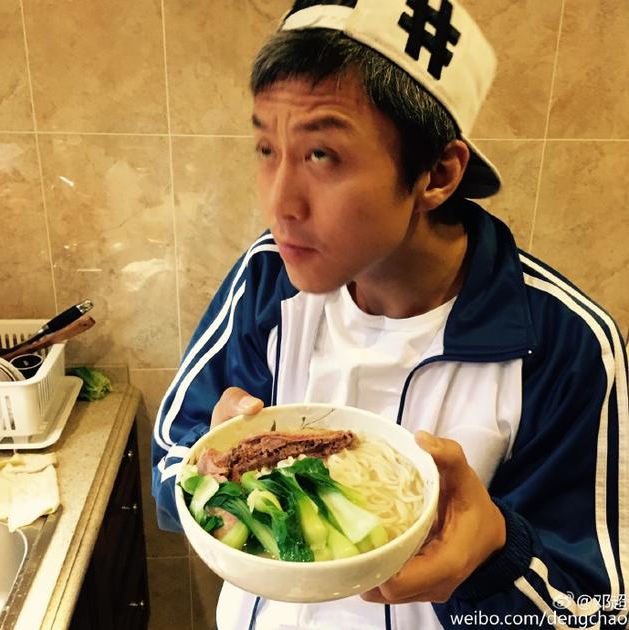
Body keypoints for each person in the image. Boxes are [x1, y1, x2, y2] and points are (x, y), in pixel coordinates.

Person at [152, 1, 628, 628]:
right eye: (267, 147)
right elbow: (171, 460)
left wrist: (496, 553)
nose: (280, 202)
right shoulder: (265, 278)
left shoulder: (566, 343)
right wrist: (209, 467)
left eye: (322, 154)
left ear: (437, 174)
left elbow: (596, 611)